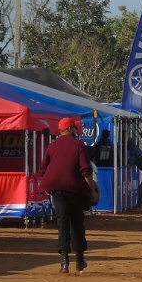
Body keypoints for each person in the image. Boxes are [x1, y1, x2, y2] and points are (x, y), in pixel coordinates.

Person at [39, 117, 98, 273]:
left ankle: (64, 262)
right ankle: (79, 260)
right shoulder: (79, 145)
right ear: (70, 129)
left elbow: (43, 169)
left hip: (57, 191)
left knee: (62, 224)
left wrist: (48, 186)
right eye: (75, 128)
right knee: (77, 224)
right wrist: (92, 190)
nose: (76, 131)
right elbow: (86, 170)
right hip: (75, 191)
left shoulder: (51, 147)